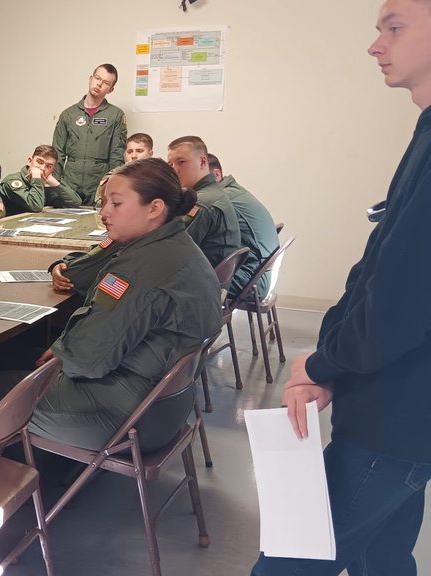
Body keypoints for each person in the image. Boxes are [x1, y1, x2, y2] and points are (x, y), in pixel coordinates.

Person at [252, 1, 431, 573]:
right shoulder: (426, 127)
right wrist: (326, 358)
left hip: (396, 419)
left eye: (394, 27)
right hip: (396, 409)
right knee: (383, 557)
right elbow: (376, 264)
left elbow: (400, 302)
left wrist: (326, 364)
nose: (376, 45)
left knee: (288, 565)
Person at [0, 158, 220, 452]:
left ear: (154, 208)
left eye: (116, 204)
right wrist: (62, 351)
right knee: (19, 359)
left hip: (128, 419)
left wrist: (63, 353)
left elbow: (87, 360)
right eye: (104, 203)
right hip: (166, 404)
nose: (104, 213)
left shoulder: (140, 269)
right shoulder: (175, 247)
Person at [52, 64, 128, 206]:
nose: (99, 84)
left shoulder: (115, 115)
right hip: (69, 184)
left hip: (97, 186)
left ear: (111, 89)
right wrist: (55, 187)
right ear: (90, 78)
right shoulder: (69, 114)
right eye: (97, 78)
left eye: (106, 83)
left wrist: (110, 190)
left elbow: (117, 156)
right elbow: (57, 153)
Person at [207, 153, 279, 299]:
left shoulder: (222, 200)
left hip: (253, 282)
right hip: (260, 276)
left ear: (216, 174)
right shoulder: (235, 192)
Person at [166, 136, 241, 267]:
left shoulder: (202, 203)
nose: (174, 170)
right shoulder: (213, 192)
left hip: (197, 281)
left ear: (202, 162)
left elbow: (175, 250)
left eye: (181, 162)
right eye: (171, 164)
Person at [0, 145, 82, 213]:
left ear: (52, 170)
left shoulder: (44, 184)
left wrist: (56, 184)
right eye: (40, 162)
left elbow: (75, 203)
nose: (42, 168)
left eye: (49, 166)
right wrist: (37, 179)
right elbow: (36, 206)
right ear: (30, 161)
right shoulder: (13, 181)